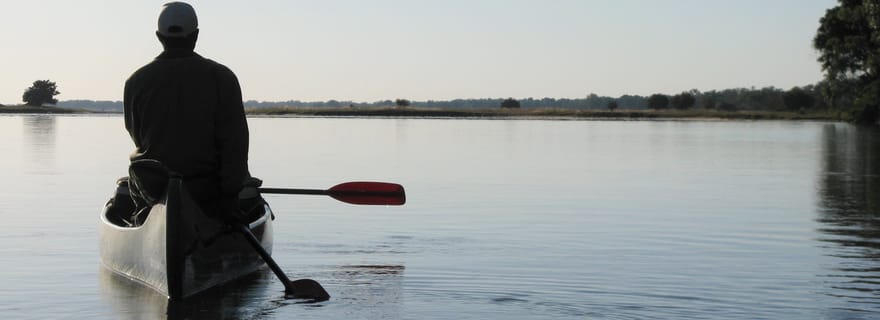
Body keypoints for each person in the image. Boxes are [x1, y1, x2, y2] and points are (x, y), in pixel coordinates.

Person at [123, 2, 250, 222]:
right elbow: (235, 145)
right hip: (208, 194)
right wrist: (231, 196)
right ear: (196, 35)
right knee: (246, 195)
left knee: (124, 189)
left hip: (154, 190)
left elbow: (137, 136)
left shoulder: (135, 81)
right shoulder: (223, 77)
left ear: (159, 36)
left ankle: (145, 221)